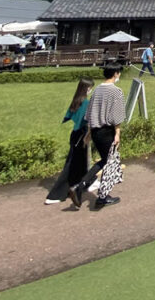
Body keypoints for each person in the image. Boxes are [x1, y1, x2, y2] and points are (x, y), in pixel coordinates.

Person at [70, 64, 125, 209]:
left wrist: (89, 132)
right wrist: (118, 132)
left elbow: (90, 113)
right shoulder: (116, 92)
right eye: (118, 73)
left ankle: (82, 186)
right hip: (107, 131)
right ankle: (101, 196)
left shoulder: (97, 90)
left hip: (95, 130)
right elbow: (117, 116)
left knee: (106, 160)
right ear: (115, 74)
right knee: (110, 162)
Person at [45, 78, 94, 204]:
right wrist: (88, 134)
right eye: (90, 88)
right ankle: (55, 194)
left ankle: (85, 183)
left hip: (75, 134)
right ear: (87, 89)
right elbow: (87, 120)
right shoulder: (86, 103)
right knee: (71, 165)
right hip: (80, 135)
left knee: (81, 162)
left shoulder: (76, 101)